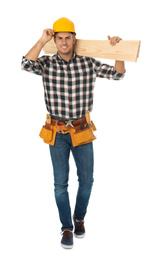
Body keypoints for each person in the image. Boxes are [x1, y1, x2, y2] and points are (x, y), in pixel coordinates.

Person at [21, 17, 125, 249]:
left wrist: (119, 50)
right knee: (60, 184)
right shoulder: (46, 63)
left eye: (68, 37)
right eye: (60, 38)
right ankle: (66, 227)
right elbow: (26, 64)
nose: (64, 42)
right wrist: (41, 40)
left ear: (74, 39)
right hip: (56, 132)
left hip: (82, 130)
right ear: (55, 40)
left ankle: (79, 219)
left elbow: (118, 74)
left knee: (87, 181)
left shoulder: (88, 63)